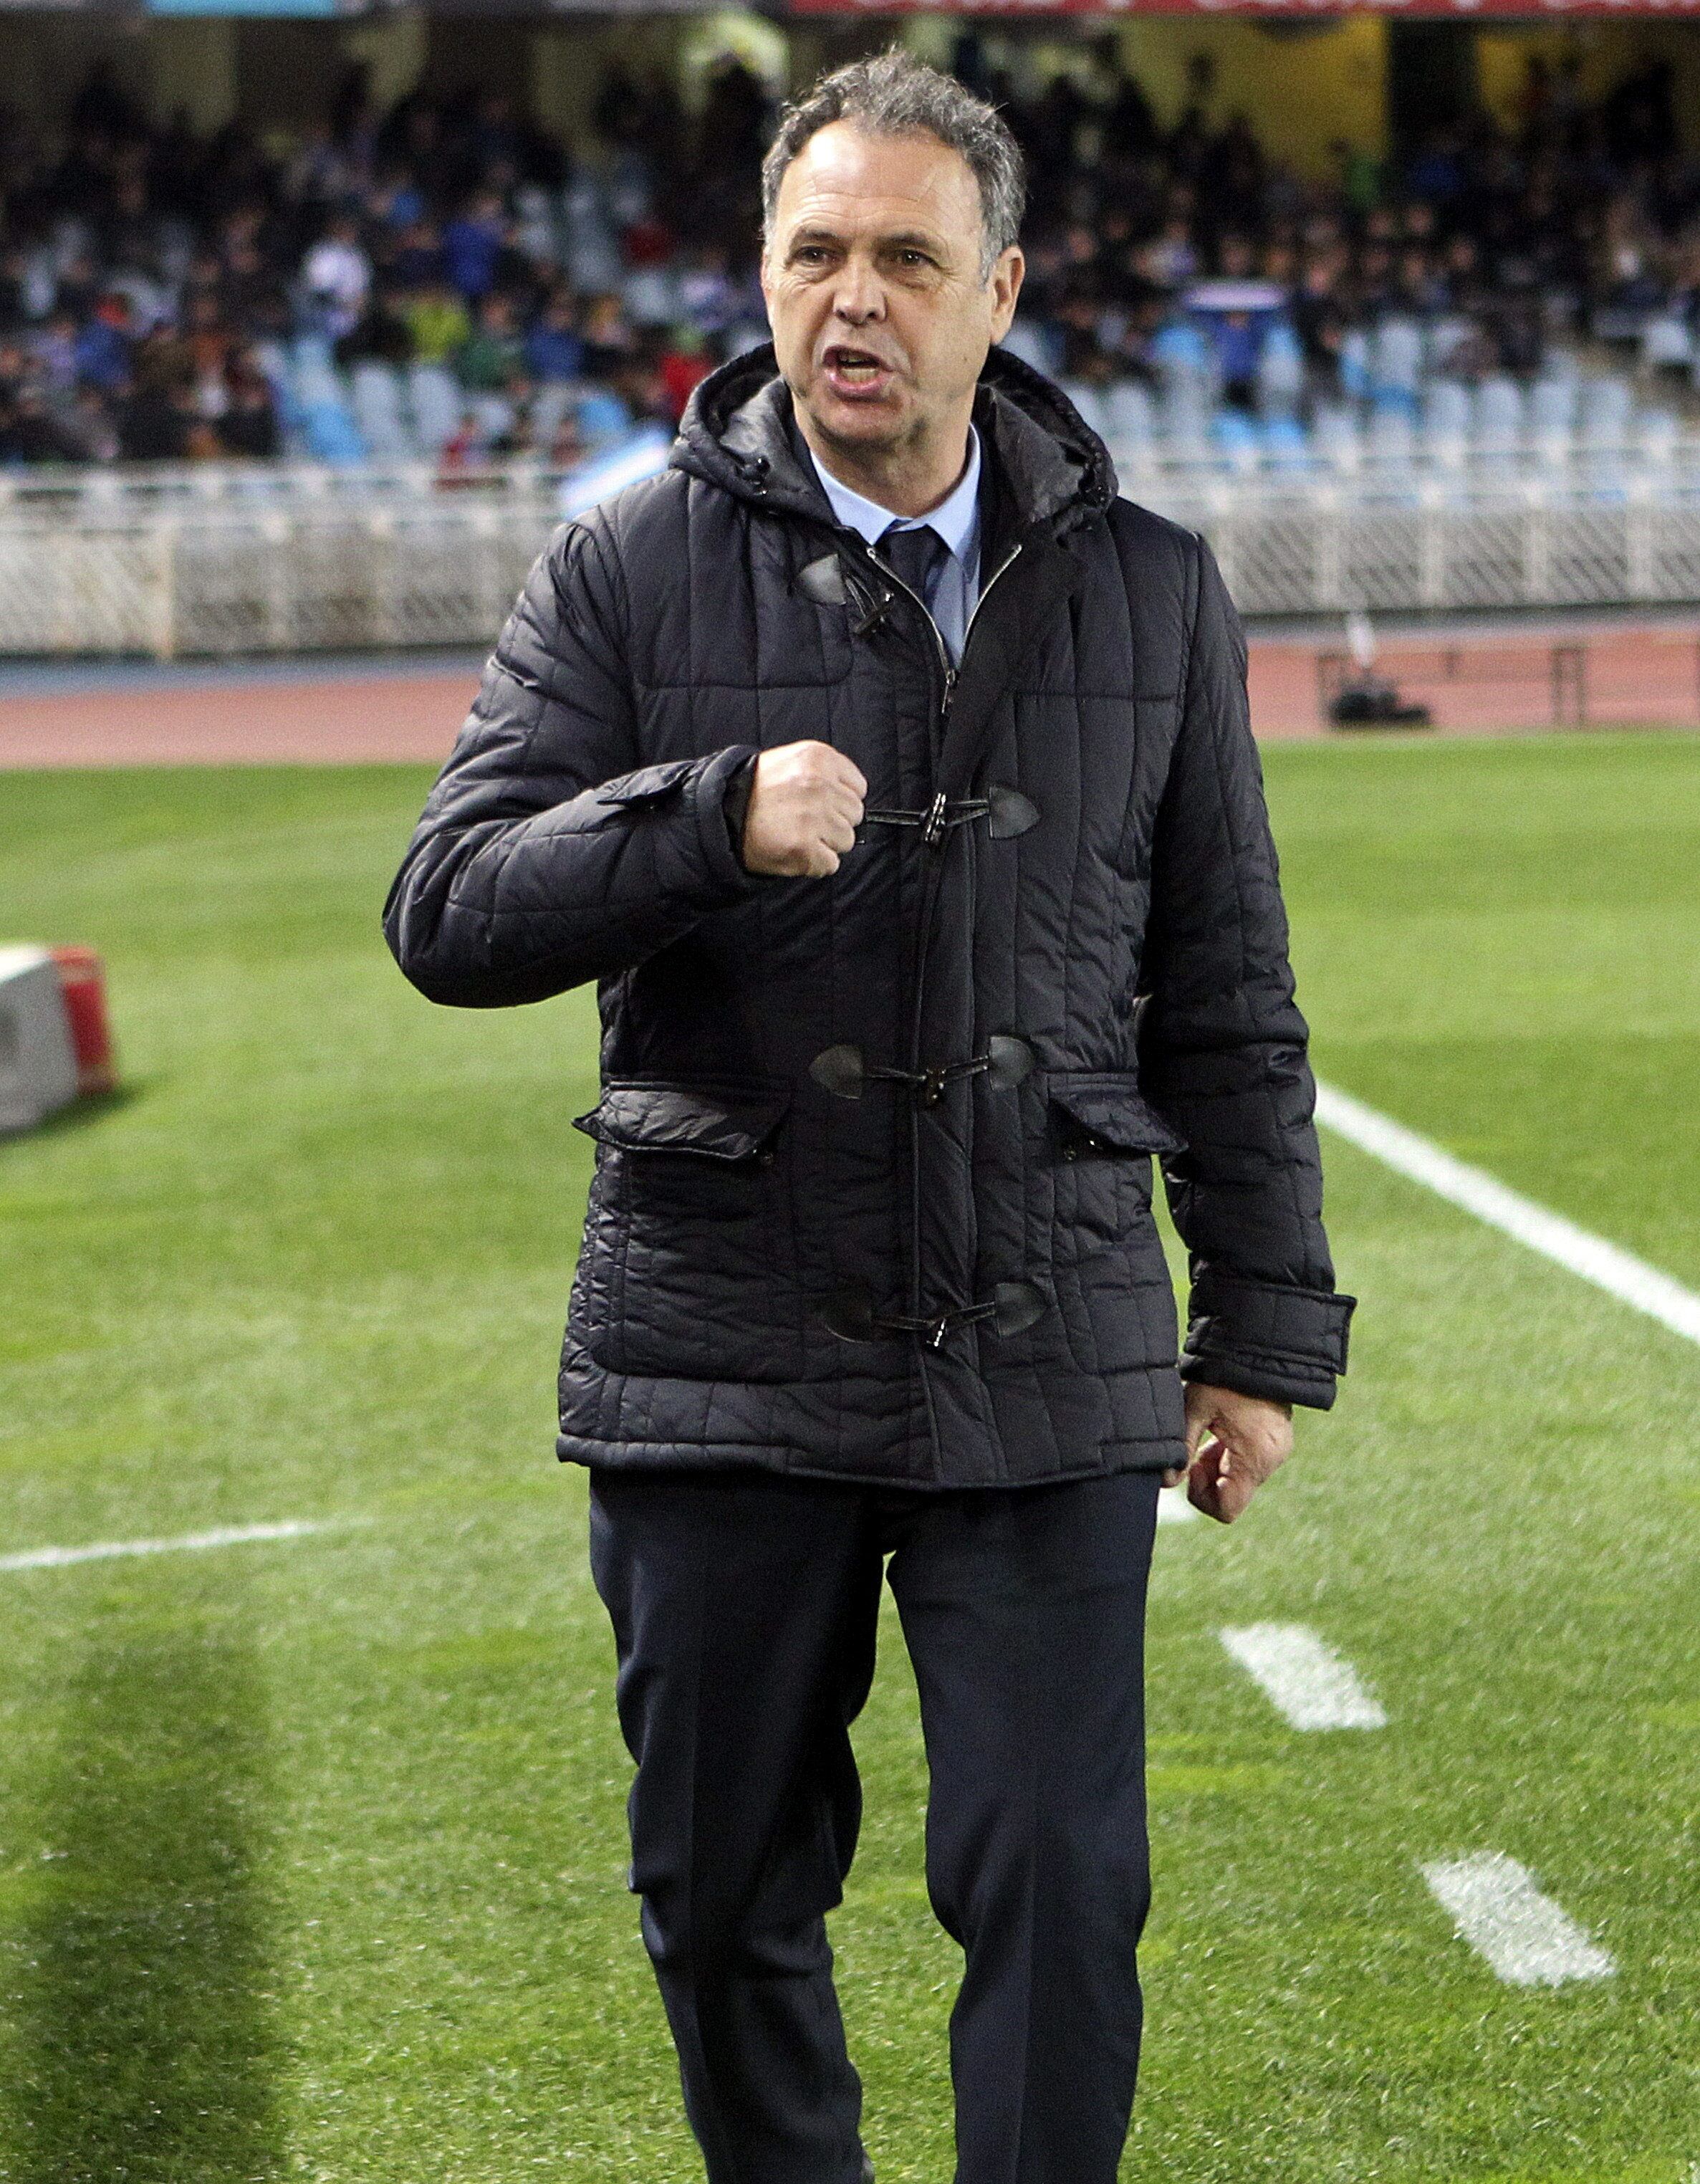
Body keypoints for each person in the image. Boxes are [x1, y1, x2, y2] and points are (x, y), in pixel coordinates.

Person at [384, 51, 1354, 2184]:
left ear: (998, 291)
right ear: (760, 270)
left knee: (1062, 1887)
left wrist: (1263, 1331)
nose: (853, 298)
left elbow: (1227, 986)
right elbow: (445, 912)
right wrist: (699, 818)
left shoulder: (1151, 584)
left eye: (908, 259)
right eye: (813, 250)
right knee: (722, 1891)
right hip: (725, 1344)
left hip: (1050, 1331)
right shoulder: (626, 565)